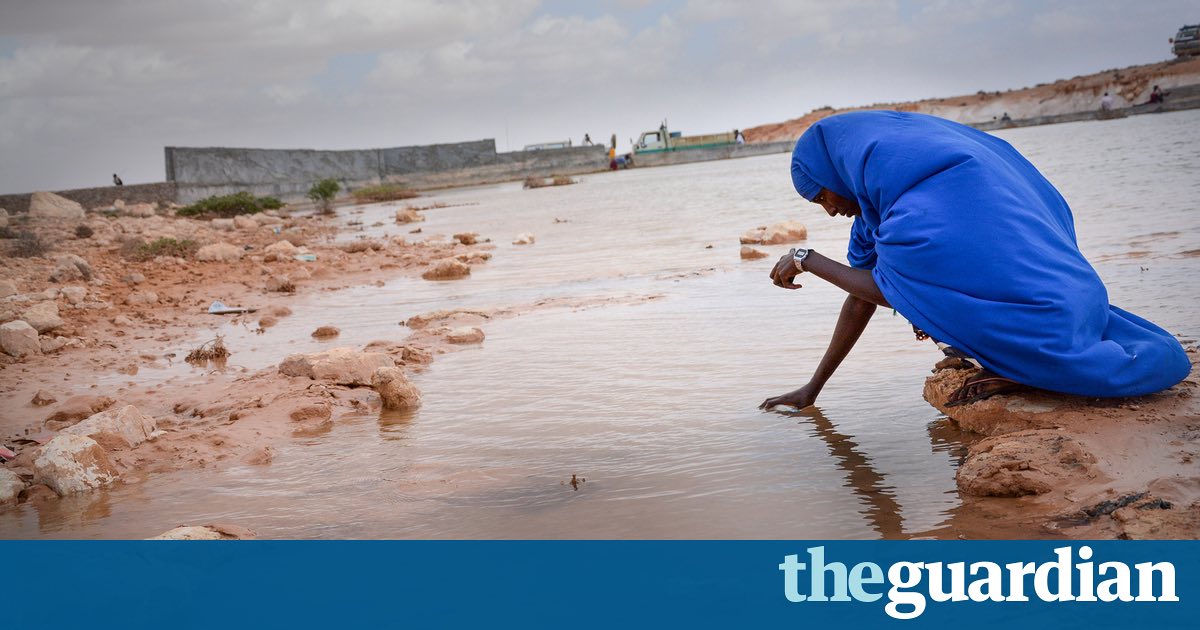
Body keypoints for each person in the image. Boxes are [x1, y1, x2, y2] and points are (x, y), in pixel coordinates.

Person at [760, 111, 1189, 411]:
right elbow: (861, 297)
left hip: (1047, 323)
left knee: (921, 295)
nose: (830, 210)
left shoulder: (919, 208)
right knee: (921, 292)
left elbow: (891, 293)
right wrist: (813, 388)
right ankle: (1011, 361)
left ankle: (1018, 369)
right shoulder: (882, 205)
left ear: (838, 173)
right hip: (1077, 309)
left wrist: (806, 258)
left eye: (823, 197)